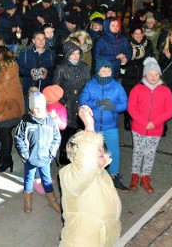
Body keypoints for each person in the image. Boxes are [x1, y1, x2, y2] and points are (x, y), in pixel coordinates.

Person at [59, 106, 121, 247]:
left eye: (99, 147)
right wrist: (89, 125)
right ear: (75, 156)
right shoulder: (69, 176)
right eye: (92, 148)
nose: (98, 150)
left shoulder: (102, 173)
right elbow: (85, 165)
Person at [80, 59, 129, 191]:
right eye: (103, 70)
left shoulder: (117, 87)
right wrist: (96, 103)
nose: (106, 73)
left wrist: (113, 107)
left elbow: (125, 104)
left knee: (114, 152)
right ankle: (93, 175)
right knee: (92, 152)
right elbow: (83, 100)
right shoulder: (90, 85)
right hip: (93, 125)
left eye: (109, 70)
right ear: (98, 72)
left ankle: (114, 175)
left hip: (110, 125)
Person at [127, 57, 172, 193]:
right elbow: (132, 108)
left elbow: (169, 110)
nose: (153, 77)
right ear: (145, 75)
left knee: (150, 153)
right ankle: (135, 175)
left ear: (159, 75)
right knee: (138, 151)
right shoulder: (137, 89)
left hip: (155, 129)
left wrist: (154, 122)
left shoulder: (165, 90)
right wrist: (144, 122)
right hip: (139, 128)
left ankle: (145, 176)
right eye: (150, 74)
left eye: (156, 74)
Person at [15, 91, 61, 214]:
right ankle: (28, 200)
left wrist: (51, 153)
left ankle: (52, 200)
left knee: (47, 179)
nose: (38, 110)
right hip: (30, 158)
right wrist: (26, 155)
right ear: (31, 108)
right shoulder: (25, 121)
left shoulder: (50, 121)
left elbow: (57, 138)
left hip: (45, 158)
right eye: (35, 108)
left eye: (41, 107)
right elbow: (18, 138)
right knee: (29, 178)